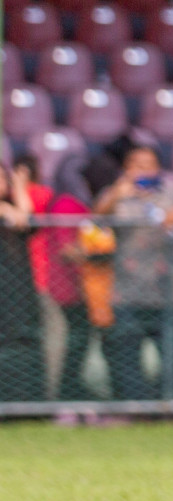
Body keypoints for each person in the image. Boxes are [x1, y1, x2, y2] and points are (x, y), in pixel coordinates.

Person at [93, 145, 173, 400]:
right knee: (128, 358)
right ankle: (136, 411)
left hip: (166, 292)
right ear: (126, 168)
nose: (143, 169)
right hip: (128, 292)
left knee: (171, 357)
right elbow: (97, 217)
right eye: (137, 164)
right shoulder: (118, 194)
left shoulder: (172, 192)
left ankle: (168, 408)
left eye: (149, 164)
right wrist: (117, 193)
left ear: (158, 168)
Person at [14, 154, 93, 401]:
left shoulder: (50, 198)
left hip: (55, 285)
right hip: (44, 284)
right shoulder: (49, 199)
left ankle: (59, 396)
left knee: (64, 342)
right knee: (53, 342)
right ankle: (52, 399)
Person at [0, 162, 44, 402]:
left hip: (15, 292)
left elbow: (26, 219)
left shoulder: (11, 209)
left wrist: (18, 187)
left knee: (20, 343)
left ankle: (19, 402)